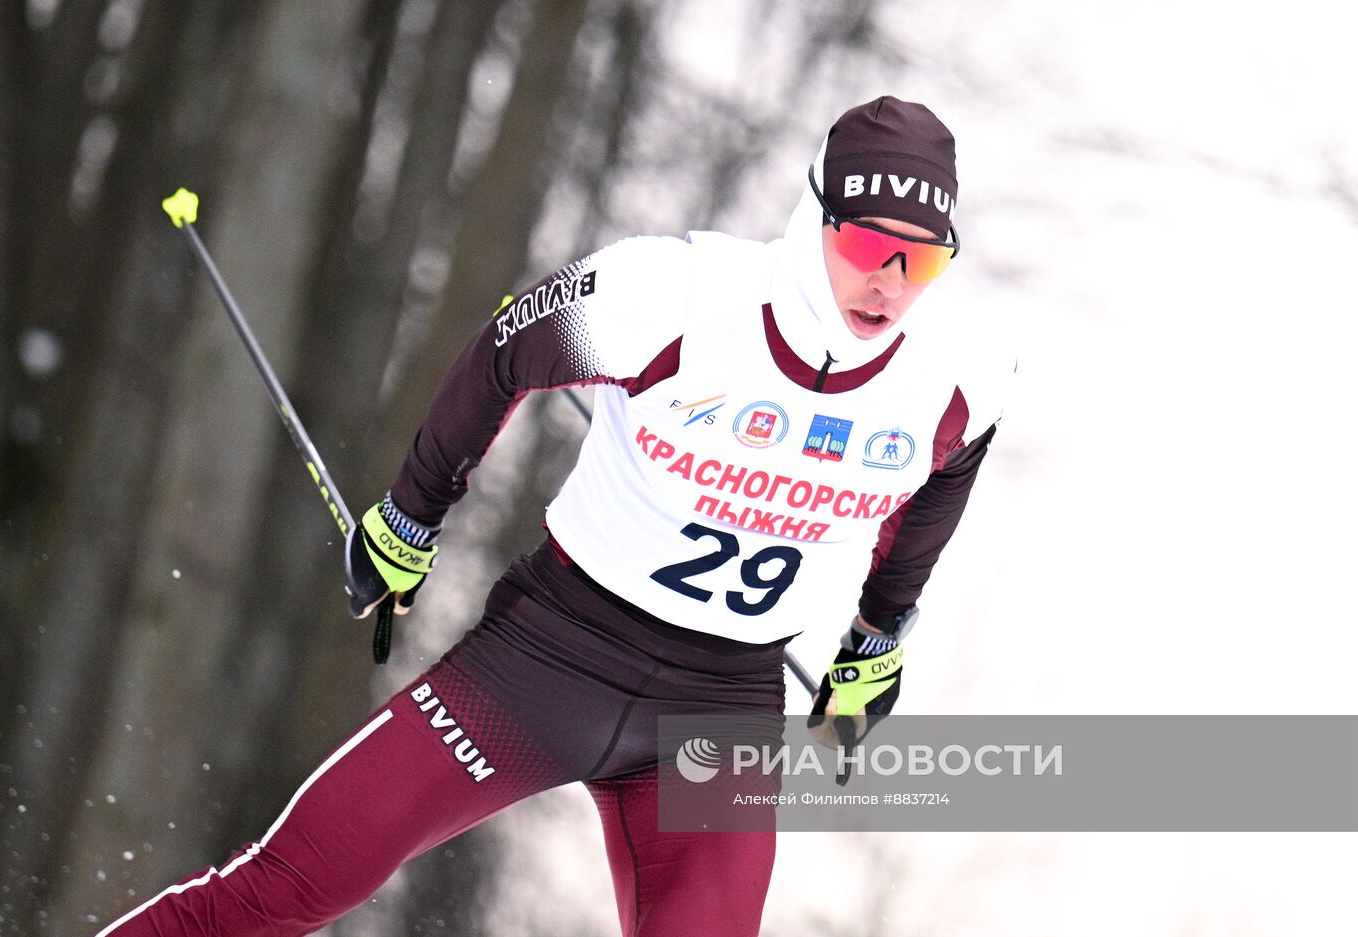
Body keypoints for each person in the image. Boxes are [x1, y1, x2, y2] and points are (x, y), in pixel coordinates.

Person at [97, 95, 1011, 937]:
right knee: (293, 885)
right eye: (866, 246)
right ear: (813, 219)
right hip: (549, 660)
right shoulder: (672, 293)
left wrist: (878, 635)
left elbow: (946, 480)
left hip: (721, 707)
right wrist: (411, 518)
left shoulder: (958, 376)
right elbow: (504, 353)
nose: (889, 283)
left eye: (920, 259)